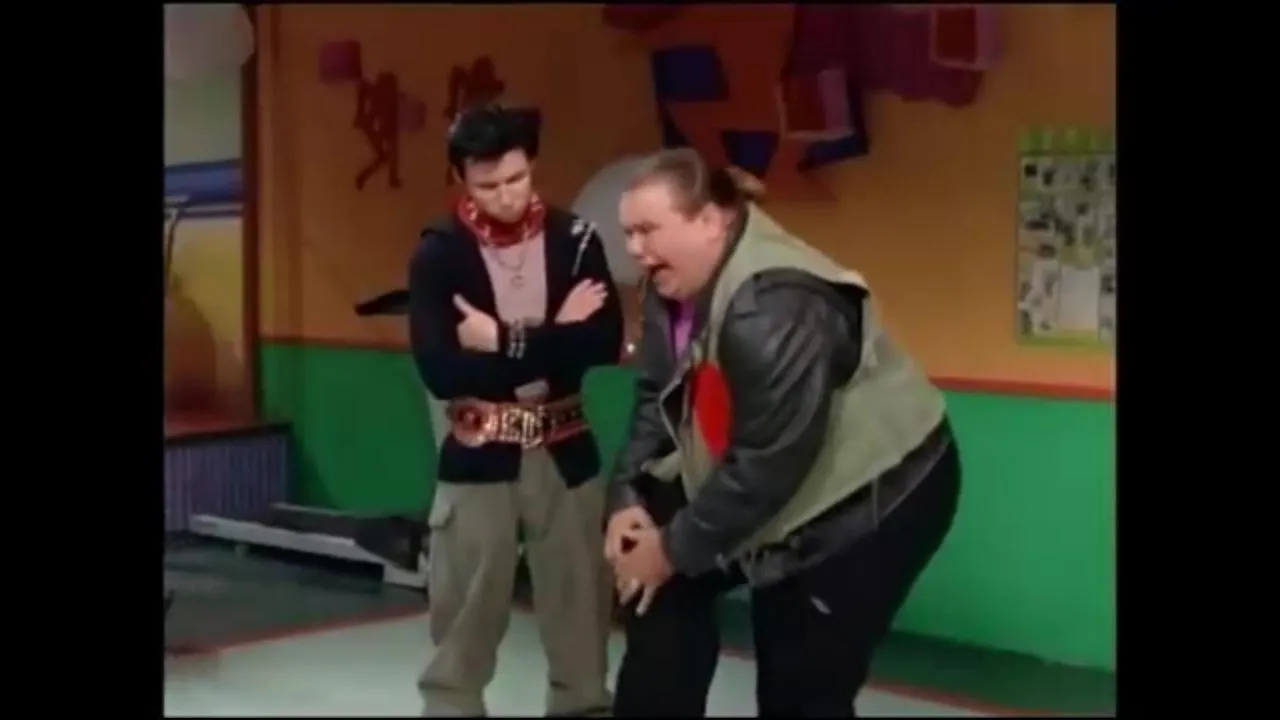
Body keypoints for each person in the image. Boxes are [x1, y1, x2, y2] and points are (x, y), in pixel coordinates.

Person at [603, 149, 963, 717]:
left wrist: (669, 549)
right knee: (657, 593)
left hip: (872, 501)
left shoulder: (773, 306)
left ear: (710, 220)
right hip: (759, 471)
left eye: (648, 230)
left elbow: (768, 463)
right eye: (628, 233)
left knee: (799, 681)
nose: (634, 249)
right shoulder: (669, 288)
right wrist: (627, 495)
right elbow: (657, 395)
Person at [408, 105, 622, 717]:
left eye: (517, 178)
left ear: (533, 166)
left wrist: (502, 339)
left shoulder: (575, 240)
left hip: (566, 446)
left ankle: (582, 706)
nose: (507, 196)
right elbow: (443, 371)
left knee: (580, 600)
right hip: (479, 450)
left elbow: (603, 343)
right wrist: (556, 335)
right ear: (460, 179)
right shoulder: (439, 252)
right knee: (466, 605)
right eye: (488, 185)